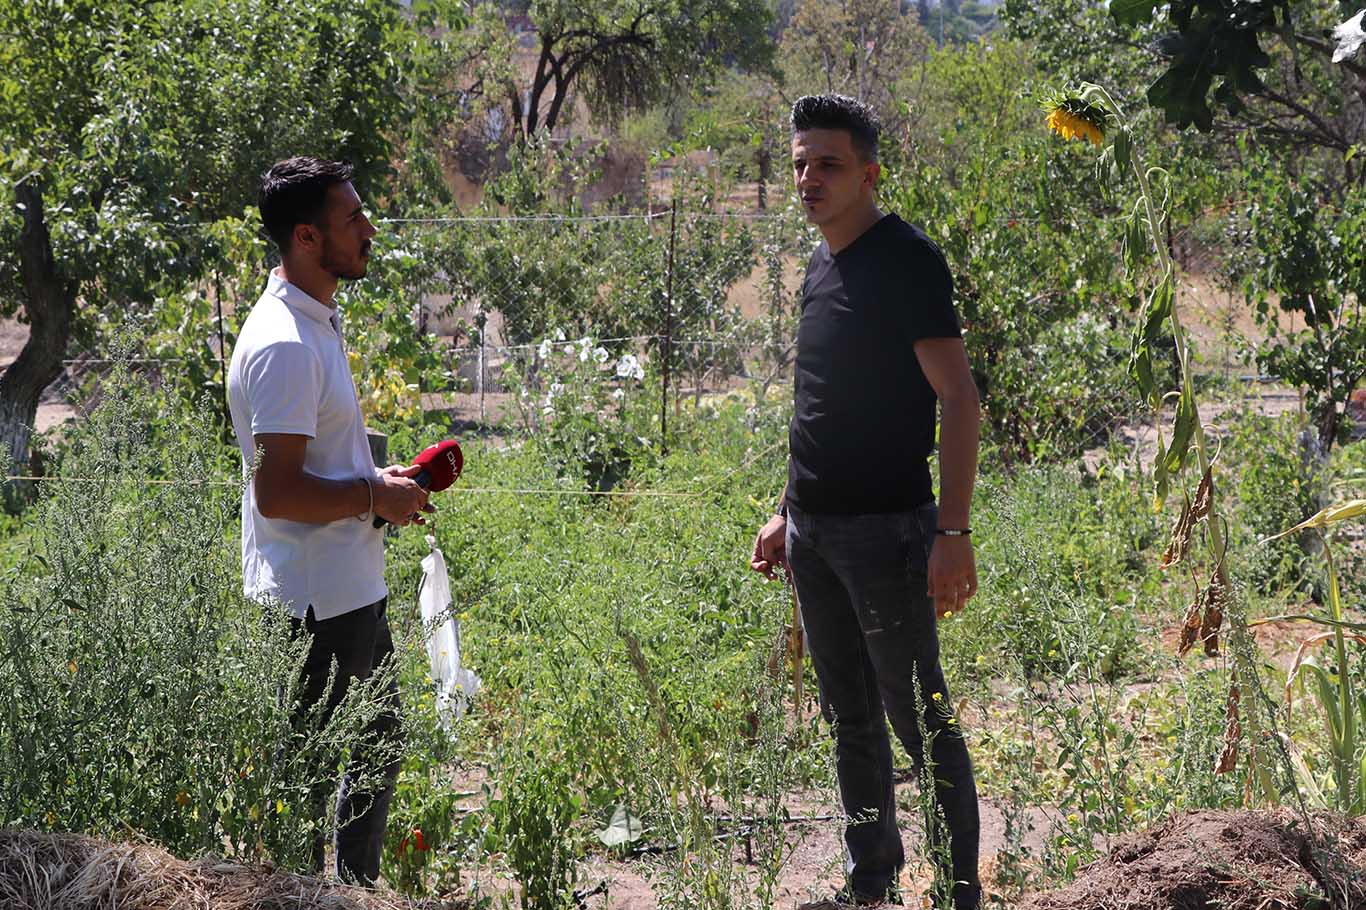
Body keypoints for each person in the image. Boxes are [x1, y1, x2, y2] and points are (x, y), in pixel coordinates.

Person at [749, 95, 983, 910]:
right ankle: (871, 886)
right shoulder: (819, 262)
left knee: (921, 722)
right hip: (814, 535)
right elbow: (819, 402)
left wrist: (951, 531)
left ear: (870, 173)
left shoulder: (906, 260)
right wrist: (788, 509)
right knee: (850, 719)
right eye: (800, 163)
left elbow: (958, 397)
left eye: (829, 164)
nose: (810, 178)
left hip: (888, 534)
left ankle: (960, 894)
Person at [226, 156, 433, 884]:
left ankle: (352, 895)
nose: (369, 231)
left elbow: (314, 465)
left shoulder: (311, 321)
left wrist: (378, 483)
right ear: (307, 238)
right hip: (312, 602)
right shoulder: (284, 343)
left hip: (347, 586)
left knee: (376, 748)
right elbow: (277, 493)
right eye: (352, 220)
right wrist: (374, 498)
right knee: (310, 781)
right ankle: (308, 897)